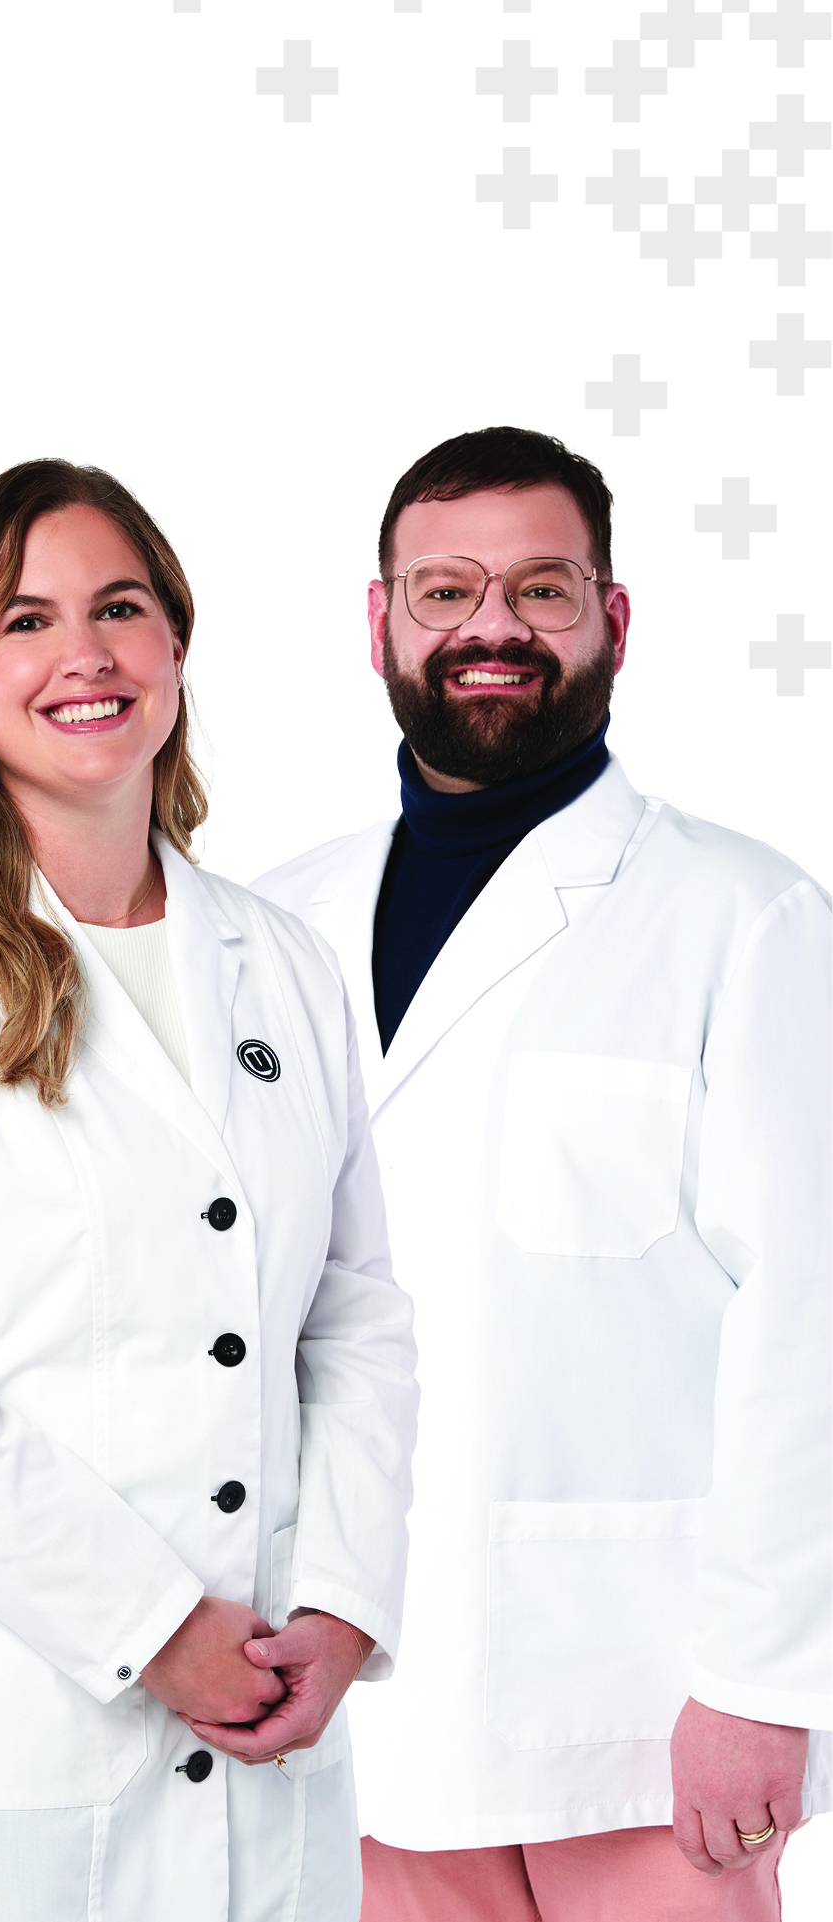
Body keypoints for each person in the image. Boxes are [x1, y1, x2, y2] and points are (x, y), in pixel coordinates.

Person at [0, 459, 418, 1922]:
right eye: (27, 620)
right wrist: (154, 1627)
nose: (85, 653)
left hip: (271, 1714)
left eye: (120, 609)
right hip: (18, 1731)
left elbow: (353, 1314)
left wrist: (342, 1602)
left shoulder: (283, 962)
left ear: (176, 648)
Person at [253, 427, 831, 1921]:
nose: (490, 626)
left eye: (541, 589)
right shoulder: (268, 926)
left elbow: (810, 1325)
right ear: (380, 623)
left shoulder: (744, 918)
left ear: (611, 620)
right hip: (341, 1696)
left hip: (632, 1715)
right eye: (445, 590)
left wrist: (764, 1685)